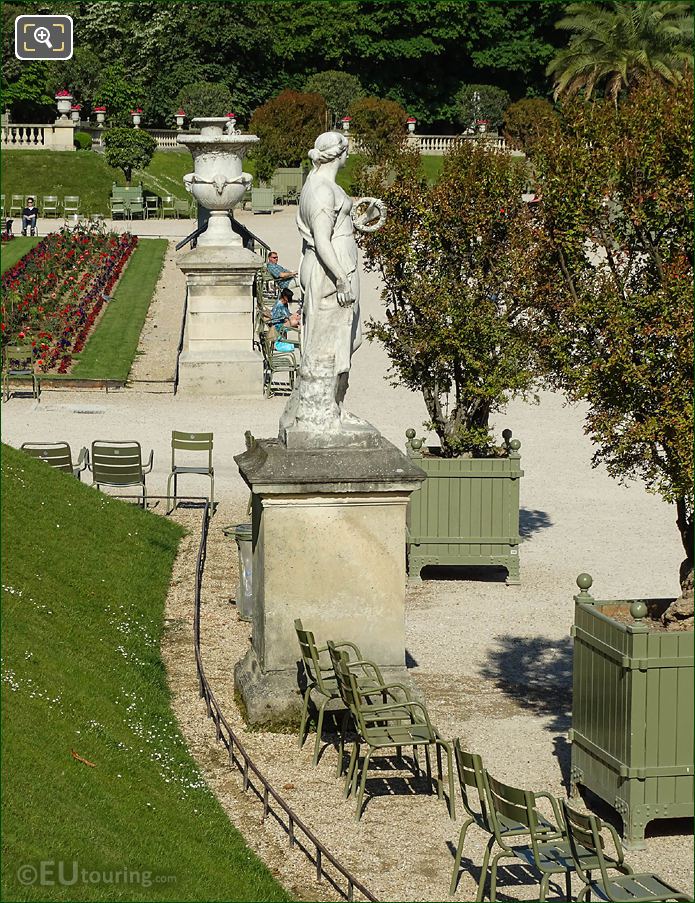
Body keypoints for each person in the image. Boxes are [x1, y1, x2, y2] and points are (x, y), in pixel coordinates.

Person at [279, 130, 385, 442]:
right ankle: (319, 412)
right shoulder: (321, 191)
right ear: (337, 153)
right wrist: (340, 278)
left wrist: (358, 218)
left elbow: (335, 227)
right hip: (330, 273)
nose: (349, 154)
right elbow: (323, 241)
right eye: (346, 150)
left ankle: (333, 407)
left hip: (338, 266)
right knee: (326, 344)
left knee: (348, 339)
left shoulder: (324, 185)